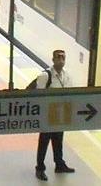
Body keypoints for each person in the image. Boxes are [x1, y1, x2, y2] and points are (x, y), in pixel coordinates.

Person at [31, 49, 76, 180]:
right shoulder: (45, 76)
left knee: (58, 140)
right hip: (47, 114)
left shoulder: (66, 75)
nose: (61, 60)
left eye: (63, 57)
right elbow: (38, 96)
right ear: (53, 59)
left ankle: (59, 163)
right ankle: (40, 168)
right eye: (58, 57)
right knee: (44, 141)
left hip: (60, 114)